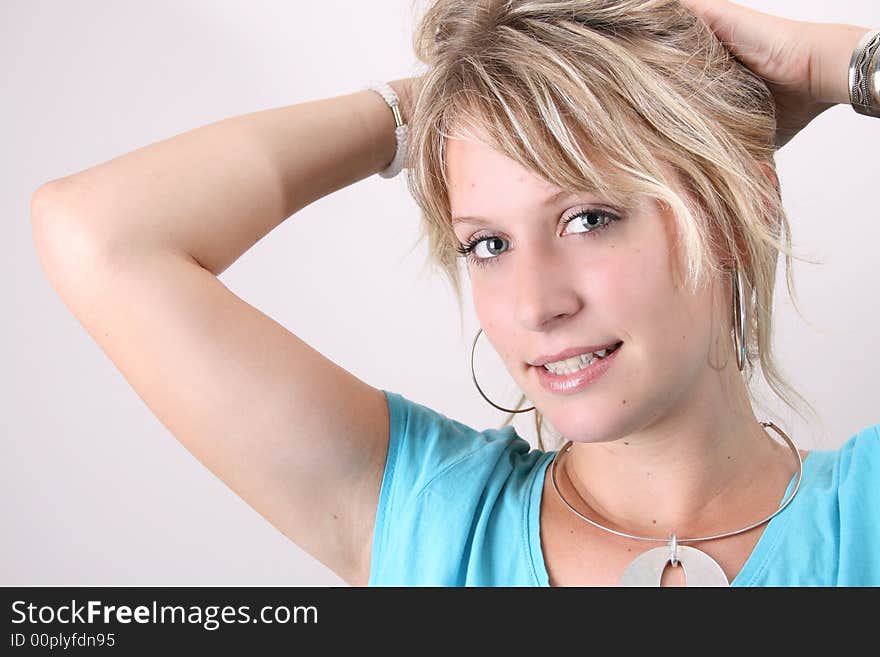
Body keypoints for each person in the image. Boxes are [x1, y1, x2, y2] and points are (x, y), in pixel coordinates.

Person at [30, 0, 879, 587]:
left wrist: (846, 65)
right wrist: (439, 104)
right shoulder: (428, 515)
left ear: (739, 212)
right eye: (488, 242)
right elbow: (97, 232)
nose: (535, 303)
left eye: (588, 218)